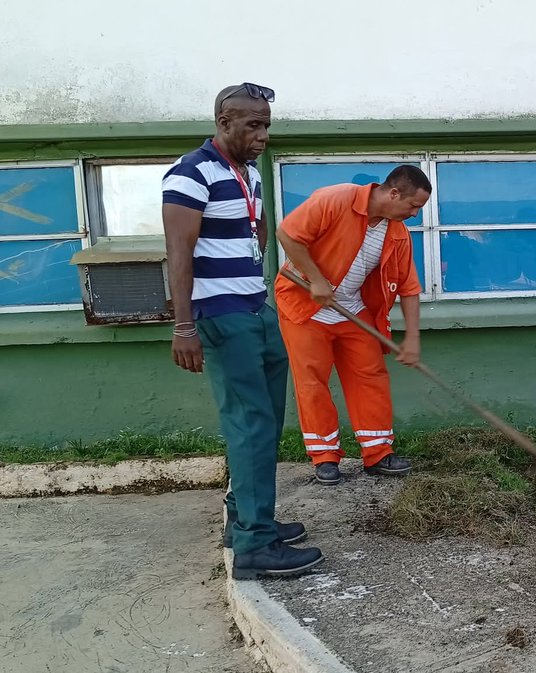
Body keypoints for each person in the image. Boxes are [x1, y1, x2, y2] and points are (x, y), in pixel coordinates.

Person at [162, 82, 323, 580]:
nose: (263, 135)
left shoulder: (248, 174)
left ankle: (248, 520)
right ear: (223, 122)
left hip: (257, 308)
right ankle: (254, 548)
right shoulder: (190, 174)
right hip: (221, 317)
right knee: (249, 423)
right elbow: (179, 254)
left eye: (267, 125)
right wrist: (183, 326)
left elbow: (251, 238)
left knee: (266, 421)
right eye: (253, 125)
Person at [273, 165, 428, 485]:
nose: (415, 215)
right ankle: (325, 456)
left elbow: (409, 288)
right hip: (305, 307)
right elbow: (287, 233)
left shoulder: (397, 234)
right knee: (312, 381)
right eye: (413, 206)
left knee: (369, 375)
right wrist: (316, 279)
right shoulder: (335, 199)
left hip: (353, 312)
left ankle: (377, 453)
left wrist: (412, 338)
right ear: (394, 193)